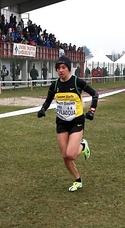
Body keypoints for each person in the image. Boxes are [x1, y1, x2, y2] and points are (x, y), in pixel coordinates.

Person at [37, 55, 99, 192]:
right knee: (65, 156)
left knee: (71, 154)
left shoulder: (77, 82)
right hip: (61, 122)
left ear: (69, 68)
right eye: (58, 68)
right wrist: (43, 109)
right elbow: (48, 100)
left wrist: (92, 111)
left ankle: (83, 145)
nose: (61, 70)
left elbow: (95, 94)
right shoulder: (55, 85)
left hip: (76, 121)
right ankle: (78, 180)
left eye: (63, 67)